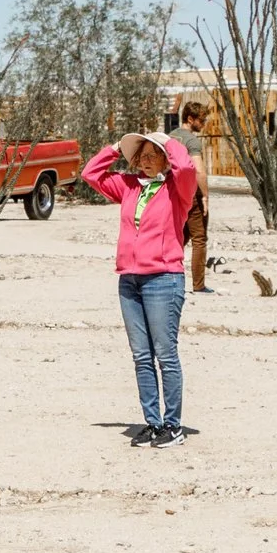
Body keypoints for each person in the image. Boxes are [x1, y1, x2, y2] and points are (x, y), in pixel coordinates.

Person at [81, 129, 198, 448]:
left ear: (164, 158)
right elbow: (90, 173)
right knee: (141, 356)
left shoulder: (177, 188)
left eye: (153, 154)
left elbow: (187, 168)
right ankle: (153, 422)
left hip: (164, 279)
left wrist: (168, 140)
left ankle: (173, 425)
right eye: (141, 155)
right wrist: (117, 147)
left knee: (165, 354)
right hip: (129, 280)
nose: (145, 160)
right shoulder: (129, 186)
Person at [176, 100, 214, 294]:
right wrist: (204, 197)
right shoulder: (192, 141)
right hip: (191, 194)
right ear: (190, 119)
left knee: (178, 236)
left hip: (173, 193)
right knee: (199, 238)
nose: (204, 123)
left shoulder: (169, 137)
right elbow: (199, 172)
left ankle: (168, 274)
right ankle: (198, 285)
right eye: (202, 119)